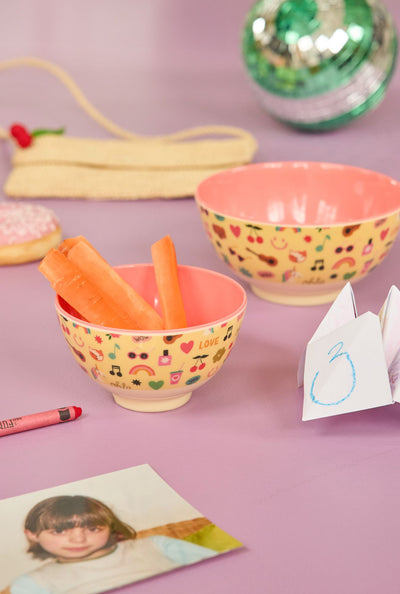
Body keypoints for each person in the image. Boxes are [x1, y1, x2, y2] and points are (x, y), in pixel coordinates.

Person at [6, 495, 217, 594]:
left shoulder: (157, 545)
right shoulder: (31, 584)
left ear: (110, 528)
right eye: (59, 531)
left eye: (93, 529)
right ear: (32, 535)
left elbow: (218, 572)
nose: (79, 539)